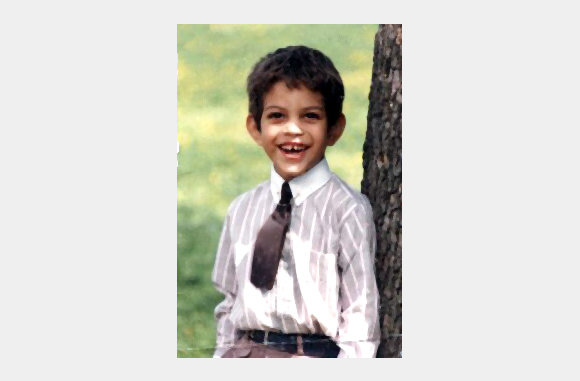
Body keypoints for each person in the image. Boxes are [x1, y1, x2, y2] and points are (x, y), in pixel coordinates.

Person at [211, 45, 380, 358]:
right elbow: (228, 302)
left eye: (310, 116)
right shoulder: (241, 210)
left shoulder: (348, 211)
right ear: (255, 128)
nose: (293, 130)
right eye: (277, 116)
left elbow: (361, 316)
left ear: (334, 129)